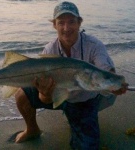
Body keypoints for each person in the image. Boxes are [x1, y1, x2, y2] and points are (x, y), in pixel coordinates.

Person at [14, 1, 128, 149]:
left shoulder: (94, 45)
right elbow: (45, 99)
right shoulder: (49, 50)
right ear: (54, 25)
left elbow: (105, 69)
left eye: (72, 22)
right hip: (57, 96)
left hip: (84, 101)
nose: (66, 28)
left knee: (87, 147)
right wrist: (45, 93)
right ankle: (32, 129)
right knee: (21, 95)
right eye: (61, 23)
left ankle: (81, 117)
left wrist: (113, 83)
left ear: (79, 23)